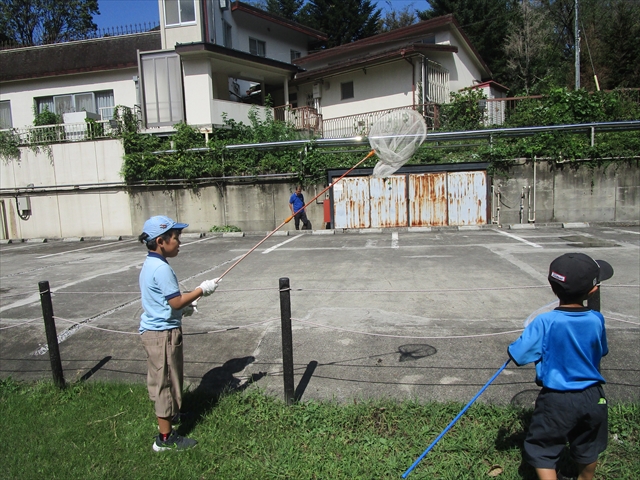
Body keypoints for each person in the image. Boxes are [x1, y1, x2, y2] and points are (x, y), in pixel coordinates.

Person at [508, 253, 614, 480]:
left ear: (552, 286)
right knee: (588, 446)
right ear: (592, 291)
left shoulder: (545, 322)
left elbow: (519, 353)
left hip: (557, 398)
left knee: (542, 448)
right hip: (593, 396)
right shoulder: (597, 320)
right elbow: (601, 350)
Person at [138, 215, 220, 452]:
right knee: (163, 382)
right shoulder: (161, 269)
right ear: (161, 241)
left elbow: (164, 303)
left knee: (171, 377)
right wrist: (200, 290)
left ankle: (173, 414)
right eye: (176, 238)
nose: (179, 242)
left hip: (162, 330)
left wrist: (184, 309)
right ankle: (165, 439)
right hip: (160, 335)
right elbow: (174, 302)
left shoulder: (151, 264)